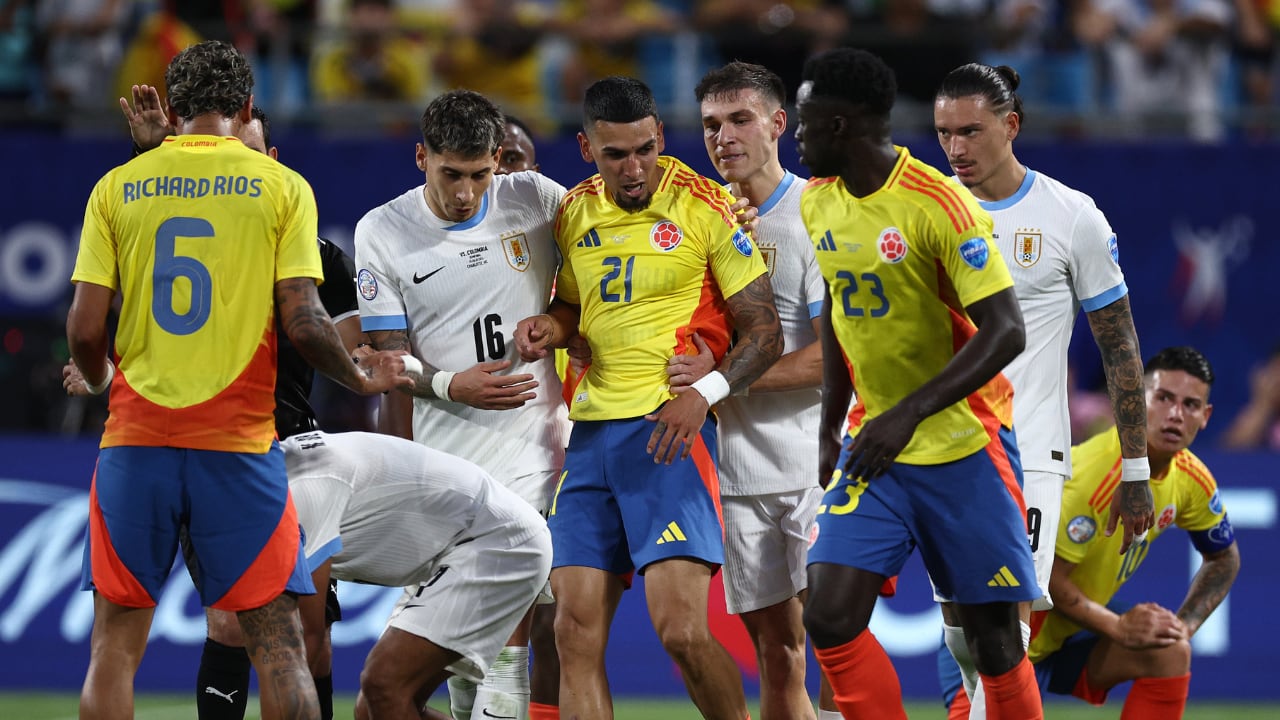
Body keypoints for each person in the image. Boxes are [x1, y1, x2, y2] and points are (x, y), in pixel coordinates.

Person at [65, 40, 410, 720]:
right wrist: (359, 379)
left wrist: (103, 374)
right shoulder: (281, 187)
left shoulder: (118, 186)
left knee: (113, 646)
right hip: (240, 446)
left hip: (135, 441)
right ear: (247, 105)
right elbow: (307, 323)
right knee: (279, 645)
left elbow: (82, 328)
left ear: (176, 108)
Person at [514, 75, 783, 720]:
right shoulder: (573, 212)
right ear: (586, 148)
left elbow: (766, 332)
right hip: (589, 442)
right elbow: (574, 307)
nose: (633, 169)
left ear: (660, 136)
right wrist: (552, 326)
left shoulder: (708, 207)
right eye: (615, 155)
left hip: (669, 435)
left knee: (683, 632)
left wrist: (706, 394)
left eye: (644, 150)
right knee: (572, 635)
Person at [794, 47, 1043, 719]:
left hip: (965, 448)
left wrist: (907, 413)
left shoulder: (939, 206)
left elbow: (1005, 330)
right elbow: (844, 318)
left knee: (992, 642)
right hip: (875, 448)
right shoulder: (819, 204)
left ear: (841, 125)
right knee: (828, 615)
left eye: (804, 120)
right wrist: (829, 425)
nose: (796, 134)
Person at [931, 62, 1154, 718]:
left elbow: (1120, 346)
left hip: (1029, 452)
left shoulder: (1070, 215)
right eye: (944, 133)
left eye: (971, 131)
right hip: (941, 450)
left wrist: (1135, 465)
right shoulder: (932, 209)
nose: (956, 148)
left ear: (1012, 126)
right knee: (964, 633)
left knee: (1007, 630)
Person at [355, 89, 571, 720]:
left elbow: (617, 249)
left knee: (522, 642)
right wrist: (453, 384)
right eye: (451, 174)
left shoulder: (534, 198)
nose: (466, 193)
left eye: (481, 174)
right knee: (385, 699)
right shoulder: (384, 231)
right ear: (421, 157)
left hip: (536, 458)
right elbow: (389, 358)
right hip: (444, 473)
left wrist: (555, 326)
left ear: (498, 161)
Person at [665, 60, 823, 720]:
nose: (722, 136)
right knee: (777, 654)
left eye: (740, 119)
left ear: (778, 124)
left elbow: (836, 360)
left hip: (820, 463)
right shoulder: (698, 223)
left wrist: (719, 382)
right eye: (709, 124)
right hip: (738, 473)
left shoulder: (815, 212)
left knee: (837, 640)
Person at [1029, 345, 1240, 718]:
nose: (1175, 415)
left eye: (1190, 405)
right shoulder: (1090, 476)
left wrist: (1183, 627)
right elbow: (1044, 580)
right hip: (1007, 635)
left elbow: (1224, 559)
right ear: (1134, 402)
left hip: (1068, 633)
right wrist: (1118, 626)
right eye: (1163, 398)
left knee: (1169, 649)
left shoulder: (1191, 479)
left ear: (1205, 417)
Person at [283, 430, 551, 720]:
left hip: (499, 542)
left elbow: (306, 639)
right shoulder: (287, 468)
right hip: (463, 544)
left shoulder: (304, 492)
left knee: (385, 685)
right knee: (373, 707)